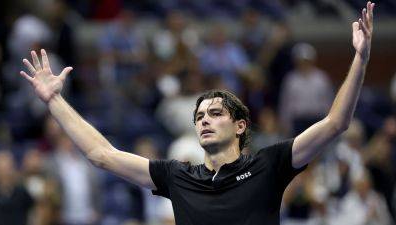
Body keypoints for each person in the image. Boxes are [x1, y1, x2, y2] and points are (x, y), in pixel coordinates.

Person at [19, 2, 375, 224]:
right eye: (200, 115)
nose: (203, 119)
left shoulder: (269, 164)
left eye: (215, 113)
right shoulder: (177, 176)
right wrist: (54, 101)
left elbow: (335, 123)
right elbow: (101, 155)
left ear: (240, 125)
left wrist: (360, 58)